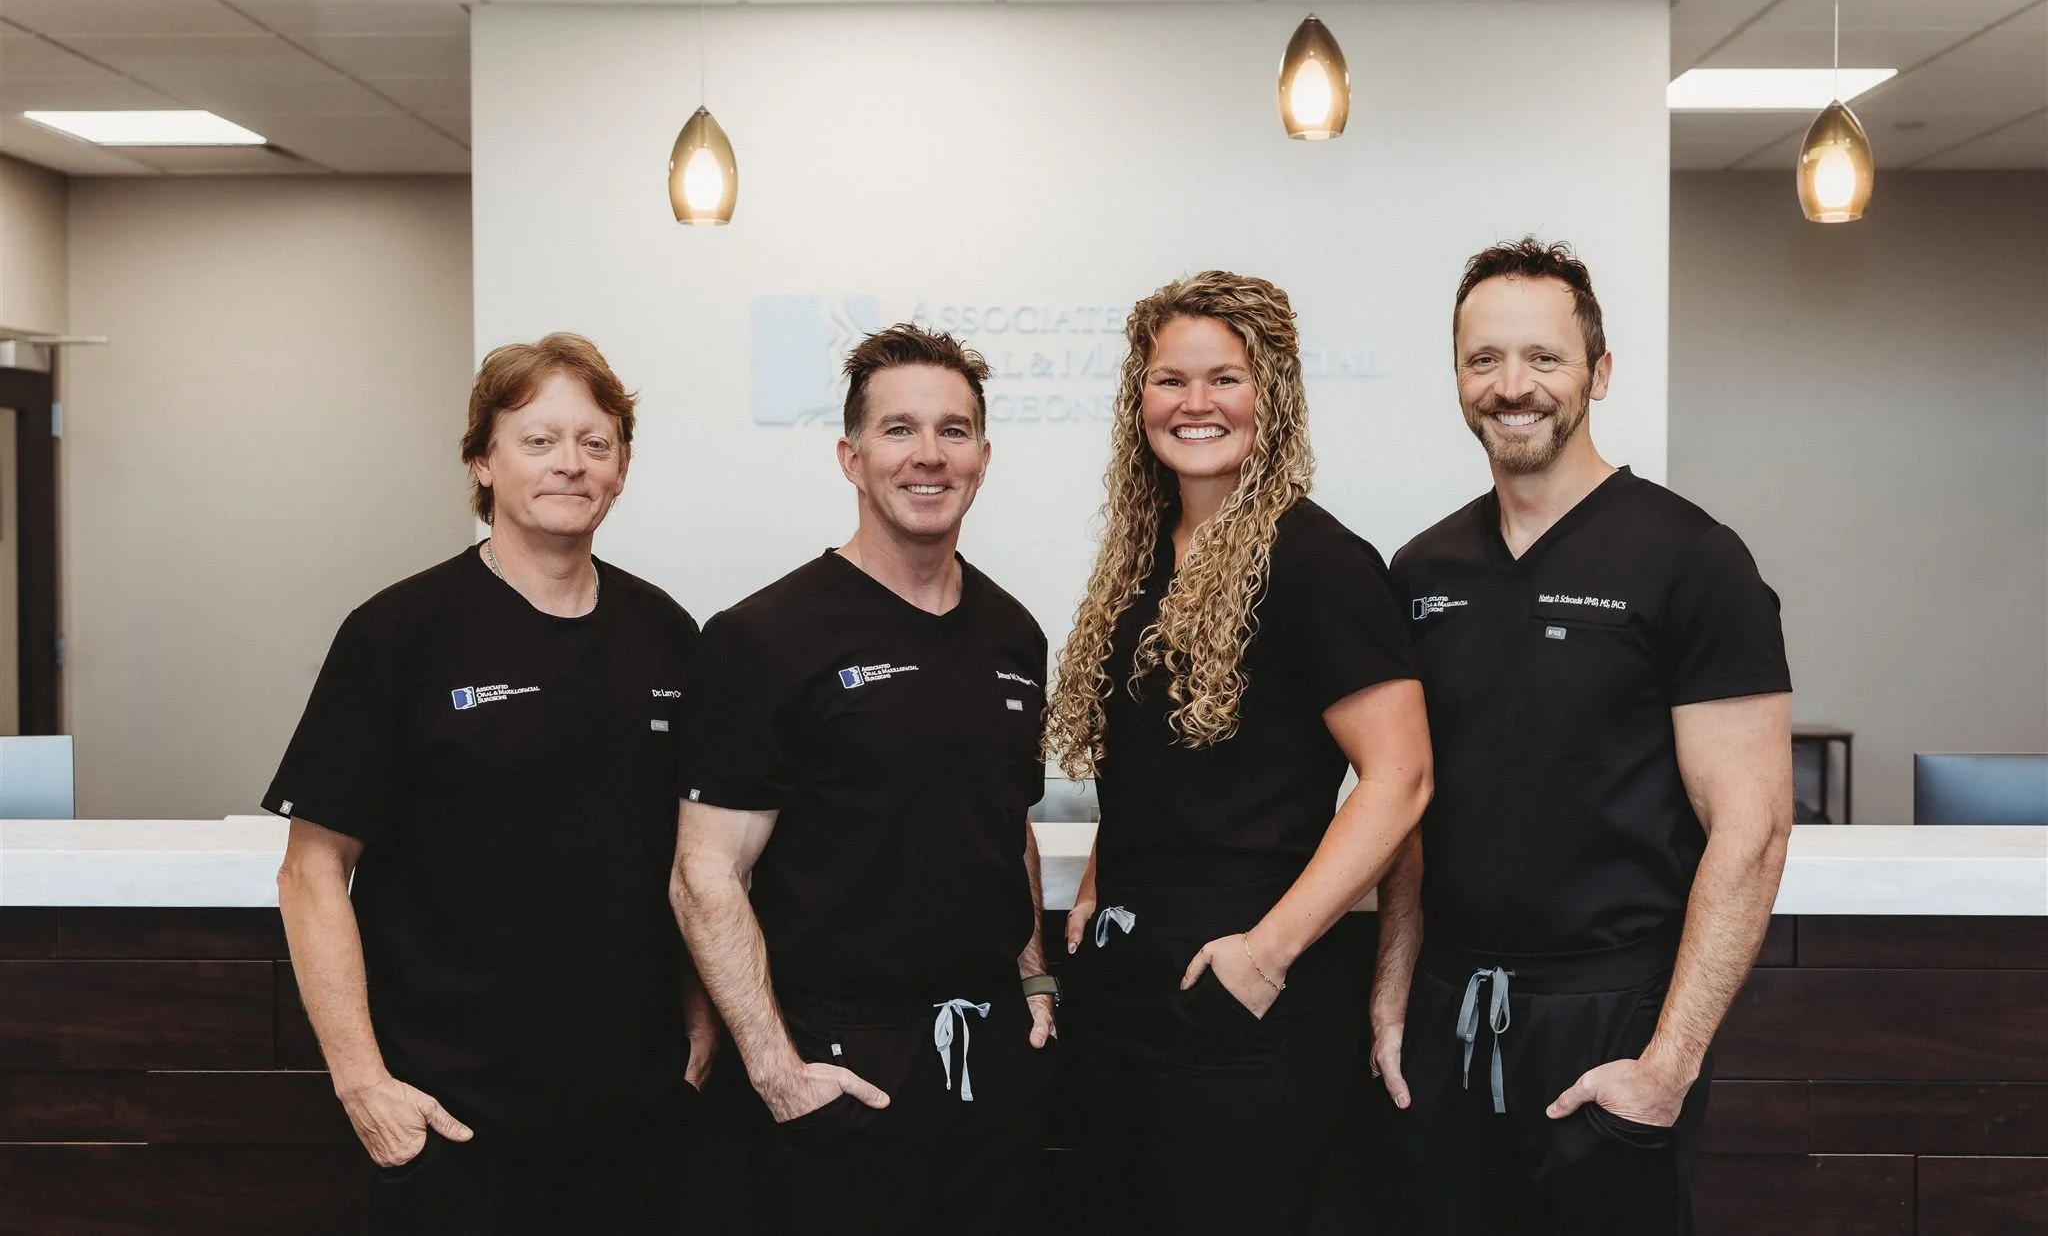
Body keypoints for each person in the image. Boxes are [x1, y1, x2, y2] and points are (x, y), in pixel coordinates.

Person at [1375, 238, 1794, 1235]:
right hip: (1447, 1016)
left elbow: (1752, 827)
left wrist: (1668, 1064)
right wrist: (1391, 996)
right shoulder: (1420, 569)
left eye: (1542, 358)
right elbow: (1411, 804)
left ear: (1597, 374)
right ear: (1457, 377)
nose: (1510, 386)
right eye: (1483, 360)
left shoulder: (1691, 559)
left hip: (1611, 1016)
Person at [265, 334, 713, 1236]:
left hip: (632, 1112)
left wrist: (698, 1026)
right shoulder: (398, 634)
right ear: (483, 459)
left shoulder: (668, 633)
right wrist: (364, 1086)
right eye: (538, 439)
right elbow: (310, 872)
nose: (570, 464)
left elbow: (694, 848)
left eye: (595, 441)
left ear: (623, 466)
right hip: (451, 1117)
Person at [1043, 270, 1434, 1236]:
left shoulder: (1316, 560)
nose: (1196, 403)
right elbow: (1164, 765)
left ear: (1274, 394)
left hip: (1248, 1001)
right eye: (1171, 379)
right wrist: (1101, 870)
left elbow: (1402, 777)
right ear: (1141, 400)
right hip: (1128, 989)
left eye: (1226, 377)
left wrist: (1267, 951)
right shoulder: (1143, 557)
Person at [670, 324, 1056, 1236]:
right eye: (899, 430)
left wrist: (1036, 986)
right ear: (850, 456)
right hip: (838, 1062)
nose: (929, 456)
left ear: (985, 457)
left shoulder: (1013, 633)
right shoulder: (764, 637)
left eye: (954, 431)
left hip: (992, 1060)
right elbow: (704, 874)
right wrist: (777, 1072)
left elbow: (1010, 823)